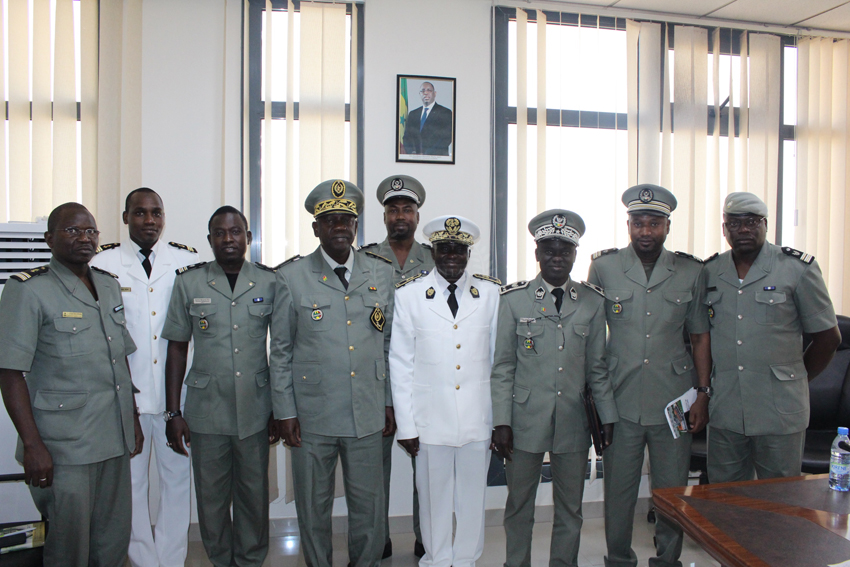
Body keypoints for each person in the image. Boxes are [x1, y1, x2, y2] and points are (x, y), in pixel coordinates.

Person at [0, 202, 144, 566]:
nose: (84, 238)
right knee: (69, 549)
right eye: (72, 230)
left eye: (91, 231)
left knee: (111, 542)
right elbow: (9, 372)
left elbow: (118, 361)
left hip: (113, 439)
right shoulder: (28, 290)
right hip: (64, 449)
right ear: (49, 239)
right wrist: (33, 446)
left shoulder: (108, 286)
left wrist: (134, 419)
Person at [270, 179, 395, 567]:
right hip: (312, 415)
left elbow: (390, 346)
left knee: (369, 508)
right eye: (331, 220)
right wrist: (285, 412)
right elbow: (281, 351)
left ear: (356, 226)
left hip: (367, 411)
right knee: (313, 505)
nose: (340, 227)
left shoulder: (381, 273)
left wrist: (390, 403)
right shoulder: (290, 277)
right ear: (316, 228)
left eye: (347, 220)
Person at [588, 184, 712, 567]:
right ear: (628, 225)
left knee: (671, 490)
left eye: (654, 223)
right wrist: (594, 396)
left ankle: (668, 559)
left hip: (673, 398)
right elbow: (592, 334)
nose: (646, 231)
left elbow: (699, 336)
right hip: (619, 397)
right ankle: (620, 559)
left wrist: (703, 394)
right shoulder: (605, 266)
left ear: (667, 226)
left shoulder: (691, 270)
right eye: (638, 222)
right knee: (619, 490)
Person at [491, 209, 618, 567]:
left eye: (565, 249)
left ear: (576, 254)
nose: (557, 257)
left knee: (570, 507)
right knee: (518, 504)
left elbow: (597, 368)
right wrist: (501, 420)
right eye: (549, 249)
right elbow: (502, 367)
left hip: (573, 420)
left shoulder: (592, 301)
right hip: (524, 419)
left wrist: (606, 415)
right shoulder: (513, 300)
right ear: (537, 253)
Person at [161, 206, 279, 567]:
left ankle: (251, 559)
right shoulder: (189, 282)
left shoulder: (270, 281)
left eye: (236, 232)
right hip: (206, 410)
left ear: (248, 236)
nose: (228, 239)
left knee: (253, 496)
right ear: (210, 238)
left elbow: (285, 348)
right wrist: (173, 412)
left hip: (256, 408)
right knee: (211, 499)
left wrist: (280, 408)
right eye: (220, 233)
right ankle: (220, 560)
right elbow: (177, 348)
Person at [91, 187, 198, 567]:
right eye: (140, 213)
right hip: (126, 399)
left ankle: (170, 560)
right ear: (125, 219)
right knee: (131, 487)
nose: (149, 221)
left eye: (156, 213)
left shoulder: (187, 262)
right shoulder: (102, 265)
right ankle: (143, 560)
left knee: (177, 483)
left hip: (177, 398)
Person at [704, 192, 840, 483]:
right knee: (724, 501)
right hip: (726, 409)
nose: (743, 230)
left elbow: (828, 338)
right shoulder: (710, 271)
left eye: (752, 222)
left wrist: (795, 378)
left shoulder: (797, 269)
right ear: (724, 228)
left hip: (779, 411)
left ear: (765, 225)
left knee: (780, 501)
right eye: (735, 223)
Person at [390, 214, 500, 567]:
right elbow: (400, 364)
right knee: (433, 501)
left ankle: (466, 559)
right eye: (444, 248)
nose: (451, 255)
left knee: (471, 500)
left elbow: (499, 361)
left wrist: (498, 420)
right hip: (429, 422)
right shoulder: (409, 296)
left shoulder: (491, 294)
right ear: (433, 251)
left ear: (469, 254)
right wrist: (406, 426)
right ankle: (436, 560)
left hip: (476, 419)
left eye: (459, 249)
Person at [360, 174, 434, 559]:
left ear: (418, 215)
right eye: (393, 209)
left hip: (424, 381)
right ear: (384, 216)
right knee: (375, 471)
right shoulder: (366, 260)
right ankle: (379, 539)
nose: (399, 215)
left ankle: (427, 536)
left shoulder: (437, 260)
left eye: (407, 208)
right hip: (375, 381)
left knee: (426, 466)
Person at [402, 81, 453, 156]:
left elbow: (446, 138)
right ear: (419, 94)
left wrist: (426, 154)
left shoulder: (445, 112)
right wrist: (413, 153)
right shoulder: (413, 114)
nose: (425, 93)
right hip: (415, 158)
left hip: (437, 159)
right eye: (422, 91)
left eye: (429, 90)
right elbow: (407, 137)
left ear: (435, 93)